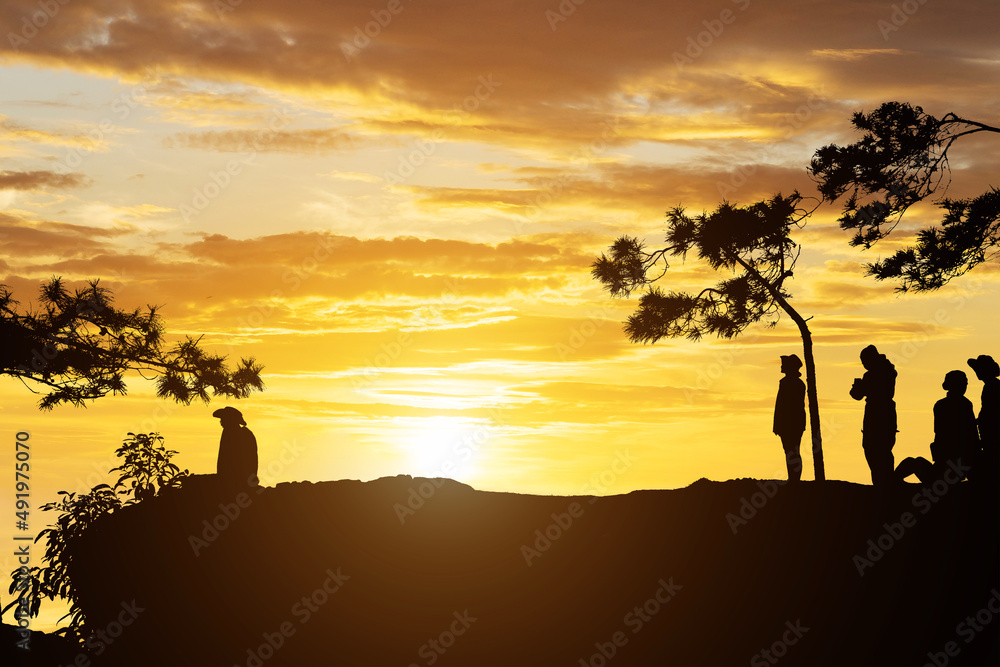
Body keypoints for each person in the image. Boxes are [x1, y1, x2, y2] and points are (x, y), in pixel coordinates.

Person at [896, 370, 978, 484]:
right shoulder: (962, 404)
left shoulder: (947, 404)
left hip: (951, 461)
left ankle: (893, 481)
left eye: (966, 383)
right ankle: (892, 482)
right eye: (963, 383)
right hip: (951, 461)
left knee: (918, 464)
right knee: (918, 464)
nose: (965, 386)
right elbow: (968, 432)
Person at [850, 345, 897, 487]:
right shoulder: (888, 370)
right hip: (886, 414)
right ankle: (884, 482)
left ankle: (882, 483)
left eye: (864, 361)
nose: (864, 364)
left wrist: (857, 386)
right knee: (883, 450)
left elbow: (856, 395)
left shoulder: (872, 375)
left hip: (876, 415)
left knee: (874, 449)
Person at [773, 354, 806, 482]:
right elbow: (780, 405)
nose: (781, 366)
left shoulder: (792, 383)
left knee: (792, 451)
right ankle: (793, 478)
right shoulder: (789, 383)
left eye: (784, 364)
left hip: (792, 423)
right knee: (790, 451)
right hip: (790, 423)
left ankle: (794, 478)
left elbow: (784, 405)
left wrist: (778, 424)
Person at [967, 354, 998, 480]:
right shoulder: (991, 385)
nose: (977, 373)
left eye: (979, 370)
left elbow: (990, 411)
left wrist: (976, 422)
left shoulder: (992, 386)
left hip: (992, 433)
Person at [213, 406, 258, 490]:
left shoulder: (245, 435)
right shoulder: (227, 433)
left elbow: (250, 461)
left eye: (224, 418)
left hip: (241, 481)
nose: (221, 421)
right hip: (229, 481)